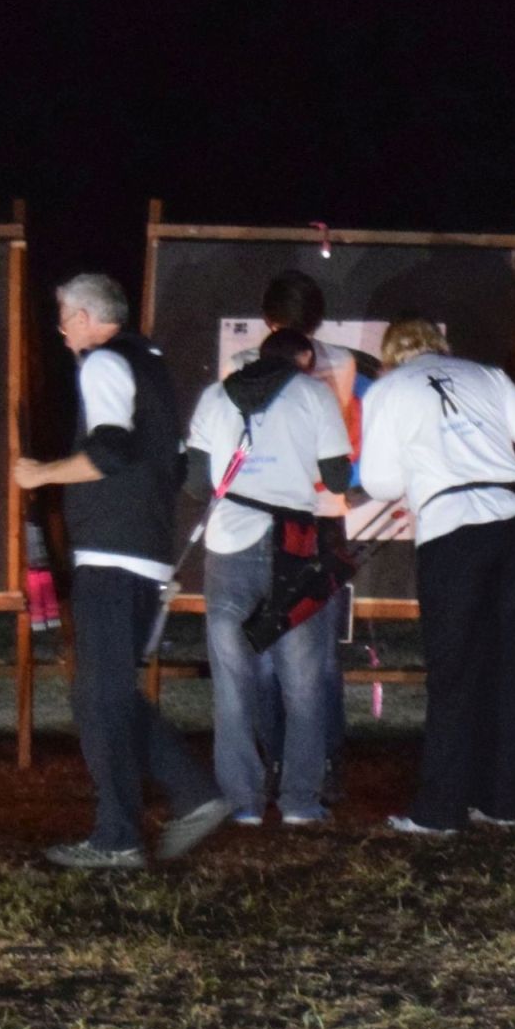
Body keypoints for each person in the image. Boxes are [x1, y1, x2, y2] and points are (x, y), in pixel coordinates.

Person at [14, 272, 229, 870]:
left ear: (86, 318)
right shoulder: (151, 365)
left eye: (64, 319)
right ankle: (189, 796)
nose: (61, 333)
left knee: (98, 698)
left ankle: (122, 836)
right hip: (142, 550)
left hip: (112, 554)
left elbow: (110, 450)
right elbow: (170, 463)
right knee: (103, 695)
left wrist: (41, 474)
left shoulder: (104, 363)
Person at [355, 316, 515, 835]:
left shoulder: (386, 390)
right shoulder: (486, 374)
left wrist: (419, 472)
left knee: (454, 671)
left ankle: (440, 809)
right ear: (440, 344)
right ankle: (500, 800)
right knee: (511, 665)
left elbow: (379, 481)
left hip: (451, 533)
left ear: (390, 355)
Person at [181, 284, 352, 826]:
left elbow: (194, 483)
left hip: (228, 546)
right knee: (303, 682)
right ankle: (300, 801)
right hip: (294, 547)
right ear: (303, 359)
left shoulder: (215, 396)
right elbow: (337, 476)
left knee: (233, 684)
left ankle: (243, 801)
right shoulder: (314, 396)